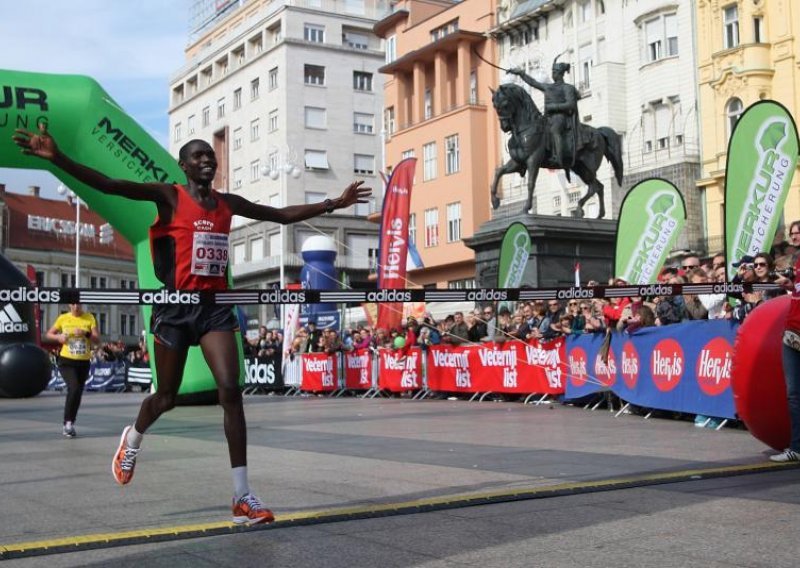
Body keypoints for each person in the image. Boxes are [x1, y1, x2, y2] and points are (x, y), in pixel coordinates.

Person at [14, 124, 370, 525]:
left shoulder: (226, 203)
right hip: (175, 309)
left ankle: (242, 495)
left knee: (231, 391)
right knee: (165, 396)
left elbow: (278, 214)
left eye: (210, 156)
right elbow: (111, 184)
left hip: (214, 308)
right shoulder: (169, 195)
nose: (207, 160)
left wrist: (331, 204)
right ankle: (132, 438)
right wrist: (58, 158)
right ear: (184, 166)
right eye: (198, 156)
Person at [508, 59, 580, 168]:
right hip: (548, 118)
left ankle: (558, 157)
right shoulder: (548, 87)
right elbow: (533, 82)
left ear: (560, 74)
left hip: (561, 117)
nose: (553, 74)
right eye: (552, 72)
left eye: (555, 72)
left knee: (555, 130)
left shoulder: (567, 88)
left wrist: (553, 107)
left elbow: (571, 105)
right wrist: (520, 73)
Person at [45, 303, 99, 438]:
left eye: (79, 304)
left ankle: (70, 422)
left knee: (78, 393)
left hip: (83, 361)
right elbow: (49, 334)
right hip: (66, 361)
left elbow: (97, 339)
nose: (76, 307)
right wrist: (59, 337)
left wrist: (85, 333)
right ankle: (67, 423)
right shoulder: (63, 318)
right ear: (69, 305)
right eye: (73, 304)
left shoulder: (89, 318)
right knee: (73, 388)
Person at [772, 256, 800, 462]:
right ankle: (797, 448)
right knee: (793, 394)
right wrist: (790, 285)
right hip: (793, 333)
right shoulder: (799, 261)